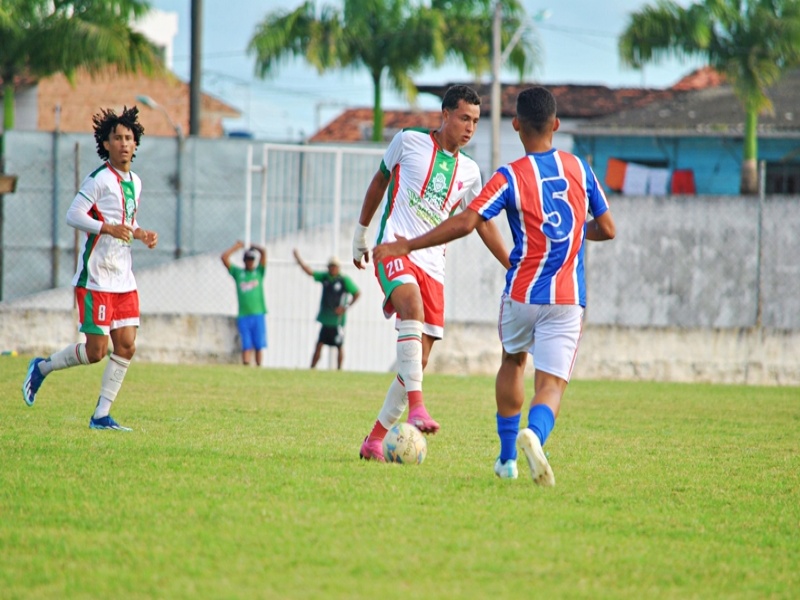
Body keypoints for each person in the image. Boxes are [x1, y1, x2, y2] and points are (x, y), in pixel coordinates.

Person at [373, 86, 616, 485]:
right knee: (550, 384)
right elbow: (607, 228)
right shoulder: (580, 169)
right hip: (568, 297)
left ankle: (507, 460)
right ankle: (535, 435)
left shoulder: (509, 176)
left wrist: (408, 244)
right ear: (556, 125)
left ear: (517, 125)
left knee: (513, 361)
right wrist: (573, 232)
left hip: (521, 291)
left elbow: (468, 221)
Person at [352, 84, 510, 462]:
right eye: (463, 118)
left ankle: (374, 440)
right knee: (410, 305)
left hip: (433, 267)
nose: (470, 127)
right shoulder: (407, 141)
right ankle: (418, 409)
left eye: (475, 120)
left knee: (416, 364)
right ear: (444, 115)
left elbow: (481, 222)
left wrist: (512, 264)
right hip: (394, 246)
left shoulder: (470, 171)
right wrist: (360, 234)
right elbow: (380, 181)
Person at [21, 106, 158, 431]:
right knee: (97, 351)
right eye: (117, 138)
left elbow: (127, 220)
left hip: (124, 278)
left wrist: (140, 233)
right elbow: (74, 215)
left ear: (135, 144)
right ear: (106, 144)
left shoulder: (135, 182)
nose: (124, 143)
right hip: (96, 277)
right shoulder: (98, 179)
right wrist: (106, 228)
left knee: (126, 345)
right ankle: (42, 368)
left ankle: (101, 416)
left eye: (129, 138)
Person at [293, 249, 361, 370]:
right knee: (319, 344)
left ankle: (339, 370)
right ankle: (312, 368)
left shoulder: (344, 280)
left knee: (339, 346)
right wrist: (299, 260)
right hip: (326, 319)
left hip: (337, 320)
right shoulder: (325, 278)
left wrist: (345, 307)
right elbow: (310, 272)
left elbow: (357, 293)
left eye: (335, 266)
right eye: (331, 266)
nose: (333, 269)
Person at [221, 240, 268, 366]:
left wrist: (251, 245)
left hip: (258, 313)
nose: (250, 262)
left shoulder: (258, 272)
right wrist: (236, 247)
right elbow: (224, 258)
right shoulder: (238, 273)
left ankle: (259, 367)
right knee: (246, 344)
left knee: (259, 344)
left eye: (252, 259)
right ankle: (246, 366)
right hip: (244, 314)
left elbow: (264, 252)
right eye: (248, 259)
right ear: (244, 261)